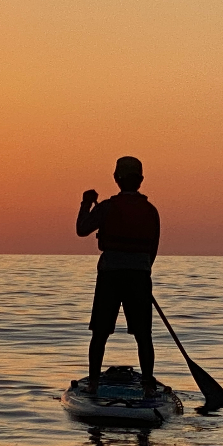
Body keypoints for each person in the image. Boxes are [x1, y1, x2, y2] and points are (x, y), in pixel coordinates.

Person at [76, 156, 160, 397]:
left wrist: (86, 203)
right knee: (144, 335)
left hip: (110, 275)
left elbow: (82, 229)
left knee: (100, 333)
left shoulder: (106, 207)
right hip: (139, 277)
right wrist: (142, 272)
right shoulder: (151, 211)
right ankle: (147, 387)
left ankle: (93, 384)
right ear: (141, 181)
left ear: (116, 179)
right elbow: (152, 249)